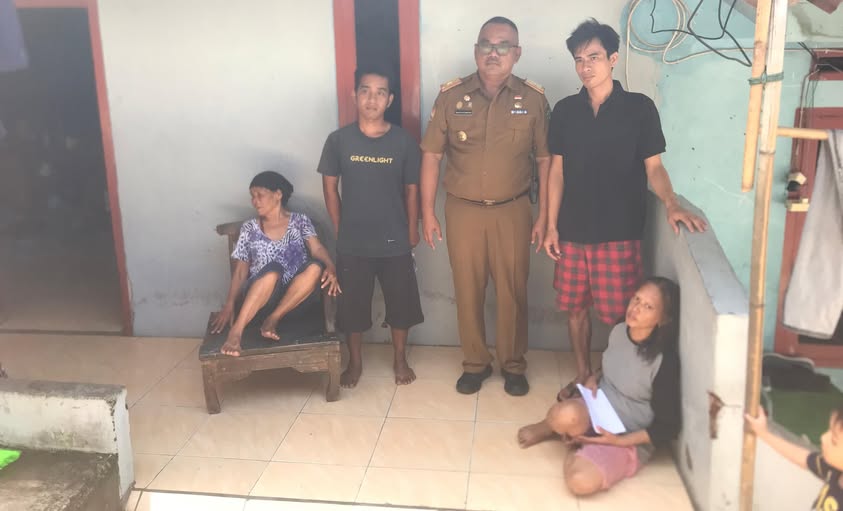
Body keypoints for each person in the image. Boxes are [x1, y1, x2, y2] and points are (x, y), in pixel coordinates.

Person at [544, 19, 706, 400]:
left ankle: (611, 382)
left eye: (594, 57)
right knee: (574, 310)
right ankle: (583, 376)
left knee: (621, 316)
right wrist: (551, 225)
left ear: (613, 59)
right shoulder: (565, 111)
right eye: (579, 59)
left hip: (619, 232)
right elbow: (556, 172)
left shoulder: (639, 108)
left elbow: (655, 168)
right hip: (572, 231)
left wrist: (672, 204)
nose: (586, 67)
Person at [420, 16, 551, 396]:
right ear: (476, 50)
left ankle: (513, 364)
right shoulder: (451, 97)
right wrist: (427, 212)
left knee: (513, 290)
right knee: (467, 288)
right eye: (486, 45)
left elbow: (546, 161)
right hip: (463, 210)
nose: (494, 53)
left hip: (513, 210)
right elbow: (431, 156)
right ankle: (475, 363)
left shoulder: (534, 99)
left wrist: (545, 215)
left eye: (503, 45)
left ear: (517, 53)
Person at [517, 277, 681, 496]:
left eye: (648, 307)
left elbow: (668, 426)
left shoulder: (664, 361)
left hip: (628, 433)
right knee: (562, 414)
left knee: (580, 482)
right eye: (636, 299)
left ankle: (577, 446)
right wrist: (594, 377)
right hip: (600, 406)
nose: (636, 309)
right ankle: (551, 427)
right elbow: (613, 363)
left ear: (663, 319)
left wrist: (619, 441)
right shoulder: (620, 330)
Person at [319, 66, 424, 387]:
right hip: (354, 242)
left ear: (390, 100)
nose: (372, 99)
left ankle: (400, 359)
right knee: (352, 308)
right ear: (354, 95)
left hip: (395, 238)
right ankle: (355, 363)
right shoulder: (338, 141)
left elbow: (412, 191)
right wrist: (341, 228)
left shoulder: (403, 142)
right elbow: (329, 189)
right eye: (365, 91)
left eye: (380, 93)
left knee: (401, 304)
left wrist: (412, 230)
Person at [211, 171, 340, 356]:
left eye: (260, 195)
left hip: (296, 301)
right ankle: (236, 333)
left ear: (278, 194)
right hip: (260, 303)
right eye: (252, 196)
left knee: (315, 267)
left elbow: (317, 249)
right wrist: (229, 304)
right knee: (273, 270)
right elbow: (240, 272)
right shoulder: (250, 228)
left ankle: (273, 319)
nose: (255, 201)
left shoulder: (300, 221)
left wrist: (331, 266)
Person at [746, 403, 843, 510]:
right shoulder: (832, 469)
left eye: (834, 441)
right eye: (829, 430)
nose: (823, 438)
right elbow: (803, 457)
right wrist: (764, 433)